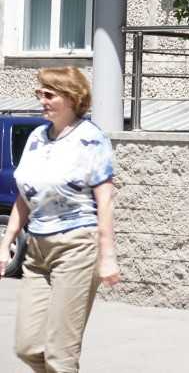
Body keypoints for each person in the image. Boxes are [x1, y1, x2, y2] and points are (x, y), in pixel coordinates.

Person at [0, 67, 120, 373]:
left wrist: (108, 256)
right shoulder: (37, 138)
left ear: (72, 97)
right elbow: (26, 195)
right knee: (28, 346)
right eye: (39, 93)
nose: (42, 100)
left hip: (77, 247)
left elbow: (105, 200)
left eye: (49, 94)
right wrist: (6, 242)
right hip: (37, 250)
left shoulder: (90, 139)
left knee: (60, 354)